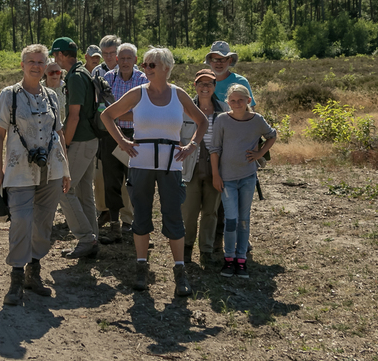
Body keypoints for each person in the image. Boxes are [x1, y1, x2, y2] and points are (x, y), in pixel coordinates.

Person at [100, 47, 207, 297]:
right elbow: (107, 115)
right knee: (141, 217)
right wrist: (122, 142)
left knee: (174, 217)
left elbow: (202, 121)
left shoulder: (178, 94)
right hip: (141, 165)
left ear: (166, 68)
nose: (145, 69)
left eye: (151, 65)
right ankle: (141, 268)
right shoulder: (138, 93)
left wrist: (192, 146)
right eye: (145, 65)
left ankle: (180, 272)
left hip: (172, 166)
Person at [0, 44, 72, 305]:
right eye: (31, 61)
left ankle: (33, 272)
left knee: (43, 222)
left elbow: (58, 133)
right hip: (19, 170)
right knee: (21, 221)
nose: (36, 66)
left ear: (46, 66)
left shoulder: (52, 96)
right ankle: (16, 278)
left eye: (40, 62)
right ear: (22, 64)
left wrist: (66, 169)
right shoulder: (9, 95)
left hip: (52, 170)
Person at [210, 84, 276, 278]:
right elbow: (215, 149)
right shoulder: (222, 120)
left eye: (240, 100)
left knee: (244, 219)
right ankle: (228, 258)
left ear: (248, 100)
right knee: (231, 220)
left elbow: (272, 135)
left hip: (248, 177)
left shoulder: (257, 120)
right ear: (228, 102)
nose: (237, 103)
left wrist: (260, 154)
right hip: (226, 179)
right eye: (233, 100)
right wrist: (215, 175)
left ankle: (241, 259)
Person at [51, 37, 99, 259]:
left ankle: (86, 238)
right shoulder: (82, 72)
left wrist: (66, 145)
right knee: (83, 192)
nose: (54, 59)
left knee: (64, 189)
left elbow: (74, 116)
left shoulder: (75, 77)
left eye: (55, 55)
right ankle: (92, 240)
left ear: (61, 55)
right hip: (89, 140)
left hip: (80, 141)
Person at [99, 43, 147, 245]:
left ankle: (139, 227)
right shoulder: (107, 78)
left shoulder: (143, 80)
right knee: (111, 181)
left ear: (135, 60)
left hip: (136, 136)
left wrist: (114, 114)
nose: (125, 62)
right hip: (111, 135)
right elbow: (101, 110)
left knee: (136, 182)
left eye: (129, 58)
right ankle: (114, 226)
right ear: (117, 60)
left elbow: (143, 113)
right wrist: (122, 114)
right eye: (122, 58)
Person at [180, 69, 229, 265]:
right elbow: (176, 133)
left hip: (216, 168)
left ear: (215, 87)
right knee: (189, 211)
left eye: (209, 83)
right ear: (195, 86)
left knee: (211, 212)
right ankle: (186, 248)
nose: (205, 87)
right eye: (201, 83)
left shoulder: (224, 109)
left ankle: (206, 251)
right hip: (190, 166)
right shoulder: (185, 108)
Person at [90, 35, 125, 229]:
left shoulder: (129, 70)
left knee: (124, 175)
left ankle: (127, 217)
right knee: (102, 173)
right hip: (103, 128)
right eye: (105, 53)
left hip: (126, 127)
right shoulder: (97, 72)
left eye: (112, 53)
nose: (109, 57)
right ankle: (104, 210)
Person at [205, 41, 255, 106]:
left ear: (230, 61)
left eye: (223, 59)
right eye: (215, 59)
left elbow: (250, 108)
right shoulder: (204, 82)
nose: (219, 63)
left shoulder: (241, 81)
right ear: (210, 61)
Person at [42, 59, 65, 125]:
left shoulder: (67, 87)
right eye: (51, 73)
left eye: (57, 72)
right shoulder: (39, 88)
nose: (55, 75)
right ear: (45, 72)